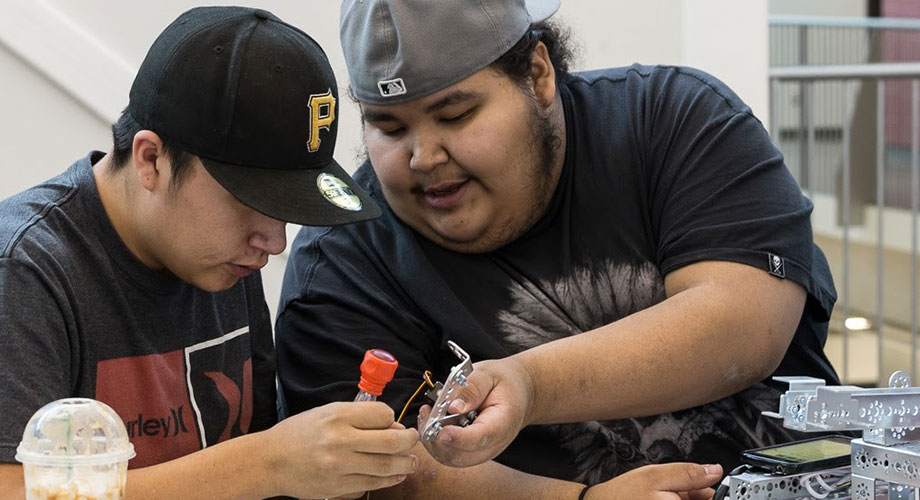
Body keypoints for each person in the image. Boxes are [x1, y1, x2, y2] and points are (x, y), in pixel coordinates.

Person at [275, 0, 838, 498]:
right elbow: (380, 475)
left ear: (538, 74)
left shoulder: (675, 121)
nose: (424, 156)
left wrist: (530, 384)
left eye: (456, 114)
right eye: (389, 127)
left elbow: (744, 323)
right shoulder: (344, 259)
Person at [0, 6, 419, 500]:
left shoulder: (222, 262)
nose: (275, 242)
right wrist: (269, 463)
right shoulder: (25, 272)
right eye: (251, 200)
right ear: (150, 159)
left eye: (287, 207)